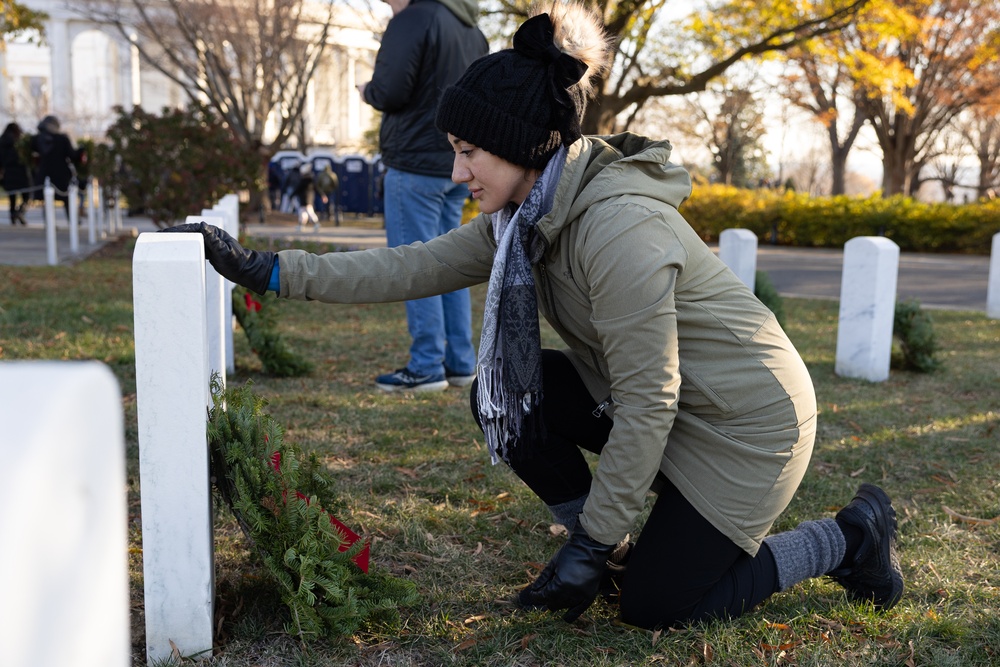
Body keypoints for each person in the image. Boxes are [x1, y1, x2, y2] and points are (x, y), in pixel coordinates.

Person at [165, 3, 903, 631]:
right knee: (511, 396)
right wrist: (268, 270)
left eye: (468, 152)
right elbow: (408, 266)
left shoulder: (618, 232)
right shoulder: (526, 215)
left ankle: (847, 538)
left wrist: (582, 544)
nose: (457, 172)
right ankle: (610, 548)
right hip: (677, 412)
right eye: (454, 153)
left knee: (654, 606)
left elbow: (651, 400)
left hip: (747, 429)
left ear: (526, 146)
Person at [356, 0, 487, 392]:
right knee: (451, 265)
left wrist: (368, 91)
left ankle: (427, 365)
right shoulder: (472, 28)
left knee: (414, 266)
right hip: (456, 164)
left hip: (414, 164)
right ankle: (461, 363)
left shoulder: (412, 19)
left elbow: (391, 90)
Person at [30, 115, 85, 220]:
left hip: (44, 174)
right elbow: (72, 155)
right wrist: (81, 150)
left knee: (48, 199)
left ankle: (49, 223)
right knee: (66, 199)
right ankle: (72, 220)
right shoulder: (62, 139)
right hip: (61, 175)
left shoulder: (36, 140)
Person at [0, 123, 31, 225]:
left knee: (12, 197)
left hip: (8, 172)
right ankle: (20, 212)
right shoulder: (19, 142)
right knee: (26, 195)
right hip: (20, 171)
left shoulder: (2, 141)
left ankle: (13, 217)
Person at [291, 163, 320, 232]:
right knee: (304, 213)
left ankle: (315, 224)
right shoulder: (311, 181)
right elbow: (317, 189)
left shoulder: (304, 181)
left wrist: (291, 195)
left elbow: (297, 189)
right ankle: (302, 225)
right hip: (308, 199)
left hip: (305, 199)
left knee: (308, 212)